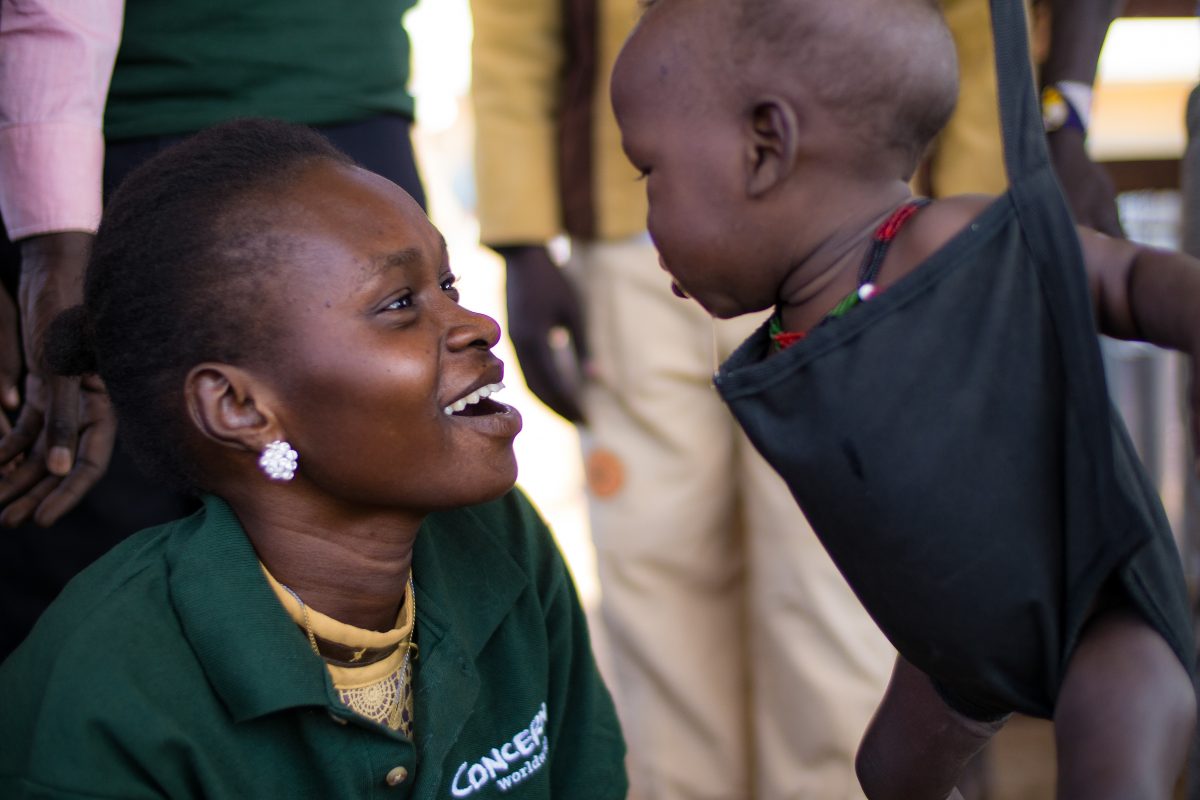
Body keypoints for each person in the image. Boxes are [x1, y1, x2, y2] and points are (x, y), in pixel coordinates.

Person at [610, 0, 1198, 797]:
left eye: (651, 175)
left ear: (765, 146)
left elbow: (1125, 277)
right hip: (947, 641)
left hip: (1098, 606)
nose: (650, 226)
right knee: (887, 771)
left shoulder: (954, 242)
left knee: (1110, 760)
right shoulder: (787, 334)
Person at [0, 118, 628, 799]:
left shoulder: (502, 540)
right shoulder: (103, 698)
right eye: (399, 304)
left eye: (447, 287)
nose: (478, 325)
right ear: (241, 407)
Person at [469, 2, 893, 798]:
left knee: (833, 573)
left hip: (843, 232)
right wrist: (523, 239)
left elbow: (966, 30)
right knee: (656, 564)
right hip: (637, 235)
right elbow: (513, 31)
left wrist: (962, 209)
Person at [0, 0, 428, 659]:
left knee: (360, 567)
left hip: (341, 103)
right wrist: (45, 235)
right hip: (88, 156)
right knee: (82, 560)